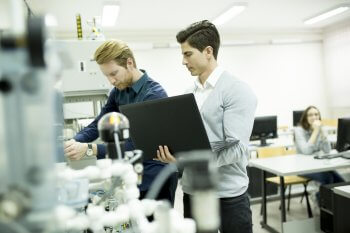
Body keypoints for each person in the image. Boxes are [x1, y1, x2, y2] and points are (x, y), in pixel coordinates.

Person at [156, 20, 257, 233]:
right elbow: (187, 144)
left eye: (188, 54)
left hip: (228, 196)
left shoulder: (236, 90)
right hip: (193, 193)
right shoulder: (187, 95)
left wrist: (191, 161)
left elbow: (237, 149)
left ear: (208, 51)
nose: (183, 61)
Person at [64, 39, 178, 205]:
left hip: (156, 179)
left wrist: (90, 149)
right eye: (106, 75)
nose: (111, 81)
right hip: (131, 176)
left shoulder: (153, 95)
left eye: (114, 73)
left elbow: (139, 145)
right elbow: (99, 123)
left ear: (129, 63)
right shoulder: (118, 92)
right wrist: (75, 141)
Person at [294, 105, 344, 204]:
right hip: (302, 168)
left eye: (316, 114)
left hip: (317, 165)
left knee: (341, 182)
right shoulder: (299, 130)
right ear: (305, 118)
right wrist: (316, 131)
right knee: (328, 178)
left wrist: (322, 133)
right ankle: (319, 199)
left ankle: (337, 208)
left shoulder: (320, 128)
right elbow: (306, 151)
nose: (314, 117)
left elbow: (327, 150)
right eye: (310, 115)